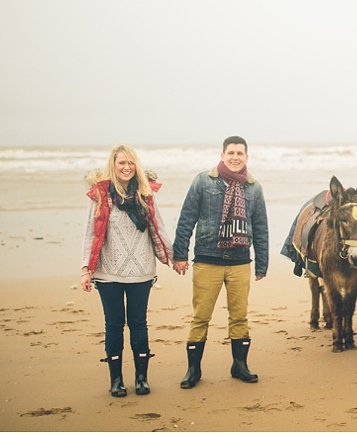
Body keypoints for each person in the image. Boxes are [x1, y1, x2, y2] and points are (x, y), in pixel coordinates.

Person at [172, 136, 269, 388]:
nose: (235, 157)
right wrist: (180, 254)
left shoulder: (254, 188)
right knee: (201, 316)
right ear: (222, 155)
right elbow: (186, 219)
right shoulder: (204, 182)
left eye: (240, 153)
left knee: (239, 317)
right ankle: (193, 370)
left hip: (239, 262)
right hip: (207, 259)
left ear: (247, 157)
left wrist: (262, 264)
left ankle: (240, 366)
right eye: (231, 153)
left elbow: (260, 228)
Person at [81, 145, 173, 397]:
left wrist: (175, 258)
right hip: (108, 273)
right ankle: (116, 380)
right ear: (113, 165)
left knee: (138, 323)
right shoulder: (101, 195)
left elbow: (159, 228)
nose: (126, 167)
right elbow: (90, 233)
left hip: (141, 271)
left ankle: (141, 379)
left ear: (137, 166)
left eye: (131, 163)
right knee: (113, 325)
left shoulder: (146, 194)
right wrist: (85, 269)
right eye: (122, 162)